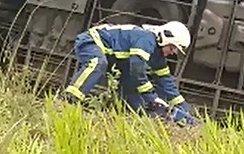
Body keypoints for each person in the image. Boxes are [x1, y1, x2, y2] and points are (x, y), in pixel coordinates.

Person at [63, 21, 197, 126]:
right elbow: (137, 71)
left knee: (133, 94)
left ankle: (124, 118)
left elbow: (166, 82)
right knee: (97, 63)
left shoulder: (157, 56)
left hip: (113, 58)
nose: (173, 52)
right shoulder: (146, 40)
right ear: (165, 38)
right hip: (92, 41)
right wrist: (153, 98)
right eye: (173, 47)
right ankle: (69, 100)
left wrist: (184, 110)